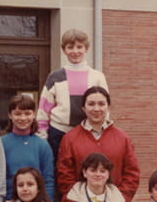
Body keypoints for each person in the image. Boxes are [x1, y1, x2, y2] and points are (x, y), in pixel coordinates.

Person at [56, 86, 139, 202]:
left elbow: (131, 173)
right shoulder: (70, 139)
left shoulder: (123, 138)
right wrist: (79, 201)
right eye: (91, 104)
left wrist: (119, 199)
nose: (96, 108)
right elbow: (65, 175)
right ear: (83, 108)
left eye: (101, 104)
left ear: (108, 107)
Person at [36, 28, 108, 161]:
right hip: (59, 133)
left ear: (86, 48)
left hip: (88, 132)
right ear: (64, 50)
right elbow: (43, 109)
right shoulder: (55, 76)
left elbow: (105, 107)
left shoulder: (97, 77)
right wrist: (42, 135)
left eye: (79, 47)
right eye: (70, 47)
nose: (75, 51)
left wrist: (103, 131)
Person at [1, 94, 55, 201]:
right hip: (9, 201)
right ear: (10, 115)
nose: (23, 118)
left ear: (34, 114)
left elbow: (48, 180)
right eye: (18, 114)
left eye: (27, 113)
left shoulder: (42, 145)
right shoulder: (1, 143)